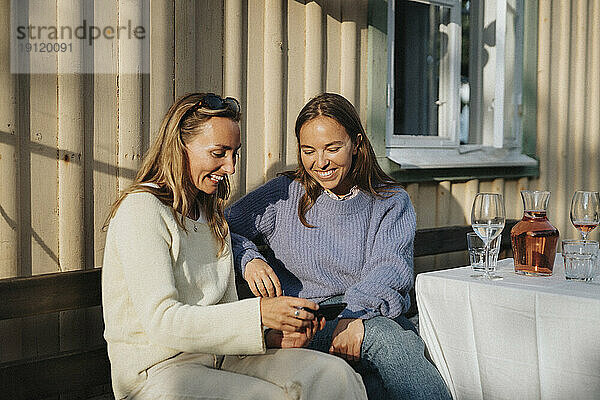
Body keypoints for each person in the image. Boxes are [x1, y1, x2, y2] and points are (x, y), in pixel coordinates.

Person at [101, 93, 368, 400]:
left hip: (222, 360)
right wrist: (258, 315)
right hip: (159, 374)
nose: (229, 166)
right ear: (180, 147)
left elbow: (222, 313)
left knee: (334, 376)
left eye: (234, 153)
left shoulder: (210, 213)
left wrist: (272, 336)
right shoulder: (143, 210)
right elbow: (163, 322)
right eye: (218, 153)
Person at [226, 93, 452, 400]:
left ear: (356, 144)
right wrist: (247, 258)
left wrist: (354, 317)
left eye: (333, 148)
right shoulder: (283, 195)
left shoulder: (389, 201)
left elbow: (391, 269)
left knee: (376, 381)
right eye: (309, 151)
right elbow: (220, 229)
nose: (320, 163)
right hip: (305, 326)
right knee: (388, 339)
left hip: (367, 314)